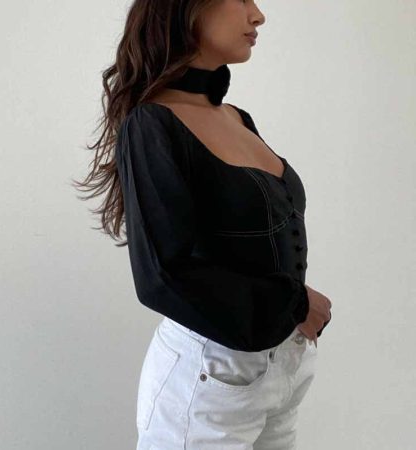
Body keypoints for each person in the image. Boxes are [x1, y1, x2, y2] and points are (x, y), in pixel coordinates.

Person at [76, 0, 332, 448]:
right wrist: (294, 303)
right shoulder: (152, 124)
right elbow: (162, 276)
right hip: (210, 377)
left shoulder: (236, 117)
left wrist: (292, 314)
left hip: (282, 368)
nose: (258, 15)